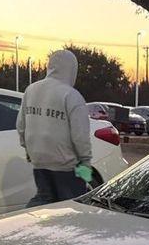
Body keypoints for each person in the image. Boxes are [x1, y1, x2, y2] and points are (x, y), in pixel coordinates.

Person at [16, 49, 94, 207]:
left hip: (39, 161)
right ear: (72, 69)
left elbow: (21, 126)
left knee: (44, 200)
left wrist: (28, 150)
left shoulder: (31, 90)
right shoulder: (72, 96)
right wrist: (85, 163)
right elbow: (80, 136)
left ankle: (27, 222)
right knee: (72, 207)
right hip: (67, 166)